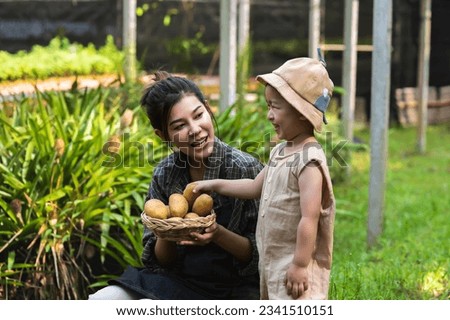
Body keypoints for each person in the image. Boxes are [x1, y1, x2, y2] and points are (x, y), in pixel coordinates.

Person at [89, 71, 263, 300]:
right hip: (181, 283)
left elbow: (263, 254)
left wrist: (216, 233)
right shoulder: (165, 173)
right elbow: (160, 261)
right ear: (163, 135)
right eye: (179, 125)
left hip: (236, 289)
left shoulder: (244, 169)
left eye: (198, 115)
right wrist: (166, 232)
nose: (194, 130)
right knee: (102, 300)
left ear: (209, 110)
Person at [191, 57, 336, 300]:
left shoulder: (308, 160)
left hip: (294, 264)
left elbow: (309, 219)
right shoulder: (281, 151)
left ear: (301, 112)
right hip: (274, 260)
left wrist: (300, 265)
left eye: (275, 106)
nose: (269, 115)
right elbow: (254, 186)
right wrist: (213, 184)